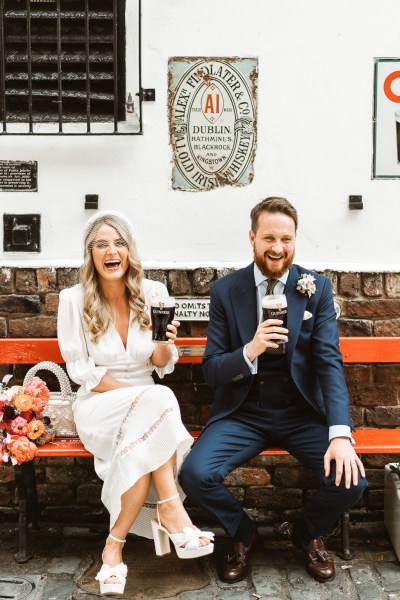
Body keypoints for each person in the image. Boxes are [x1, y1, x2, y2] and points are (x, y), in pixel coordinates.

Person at [179, 197, 367, 584]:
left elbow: (330, 363)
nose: (277, 248)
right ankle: (243, 534)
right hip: (245, 412)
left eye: (286, 238)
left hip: (301, 413)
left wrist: (340, 433)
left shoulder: (316, 288)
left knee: (352, 480)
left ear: (295, 239)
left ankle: (307, 533)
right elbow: (213, 370)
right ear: (252, 238)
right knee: (195, 474)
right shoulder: (226, 292)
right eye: (268, 238)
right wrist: (251, 349)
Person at [57, 211, 214, 596]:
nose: (112, 251)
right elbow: (81, 371)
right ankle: (172, 511)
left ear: (130, 250)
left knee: (148, 426)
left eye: (119, 242)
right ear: (90, 254)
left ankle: (114, 548)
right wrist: (135, 397)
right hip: (98, 403)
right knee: (157, 403)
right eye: (102, 244)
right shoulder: (73, 300)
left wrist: (165, 341)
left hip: (150, 403)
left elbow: (161, 365)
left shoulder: (154, 294)